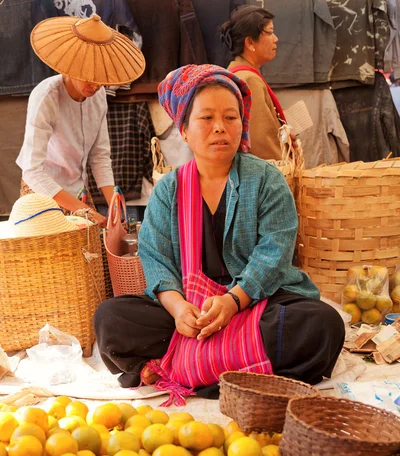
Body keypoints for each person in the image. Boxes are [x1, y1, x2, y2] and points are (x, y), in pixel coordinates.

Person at [94, 64, 344, 401]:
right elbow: (155, 261)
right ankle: (239, 368)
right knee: (110, 319)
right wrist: (179, 310)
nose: (220, 128)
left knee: (322, 325)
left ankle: (181, 367)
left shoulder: (267, 180)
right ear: (183, 129)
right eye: (206, 118)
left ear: (241, 125)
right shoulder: (167, 190)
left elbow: (275, 252)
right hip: (191, 316)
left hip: (255, 304)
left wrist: (232, 301)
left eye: (230, 118)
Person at [16, 14, 145, 227]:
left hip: (78, 190)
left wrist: (114, 203)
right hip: (42, 190)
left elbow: (100, 156)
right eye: (87, 75)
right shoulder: (47, 96)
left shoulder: (99, 96)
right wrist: (86, 212)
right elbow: (32, 170)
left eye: (100, 78)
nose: (94, 85)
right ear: (70, 66)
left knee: (93, 252)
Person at [221, 5, 287, 161]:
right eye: (270, 32)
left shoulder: (235, 72)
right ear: (250, 42)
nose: (276, 38)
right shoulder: (248, 80)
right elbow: (263, 143)